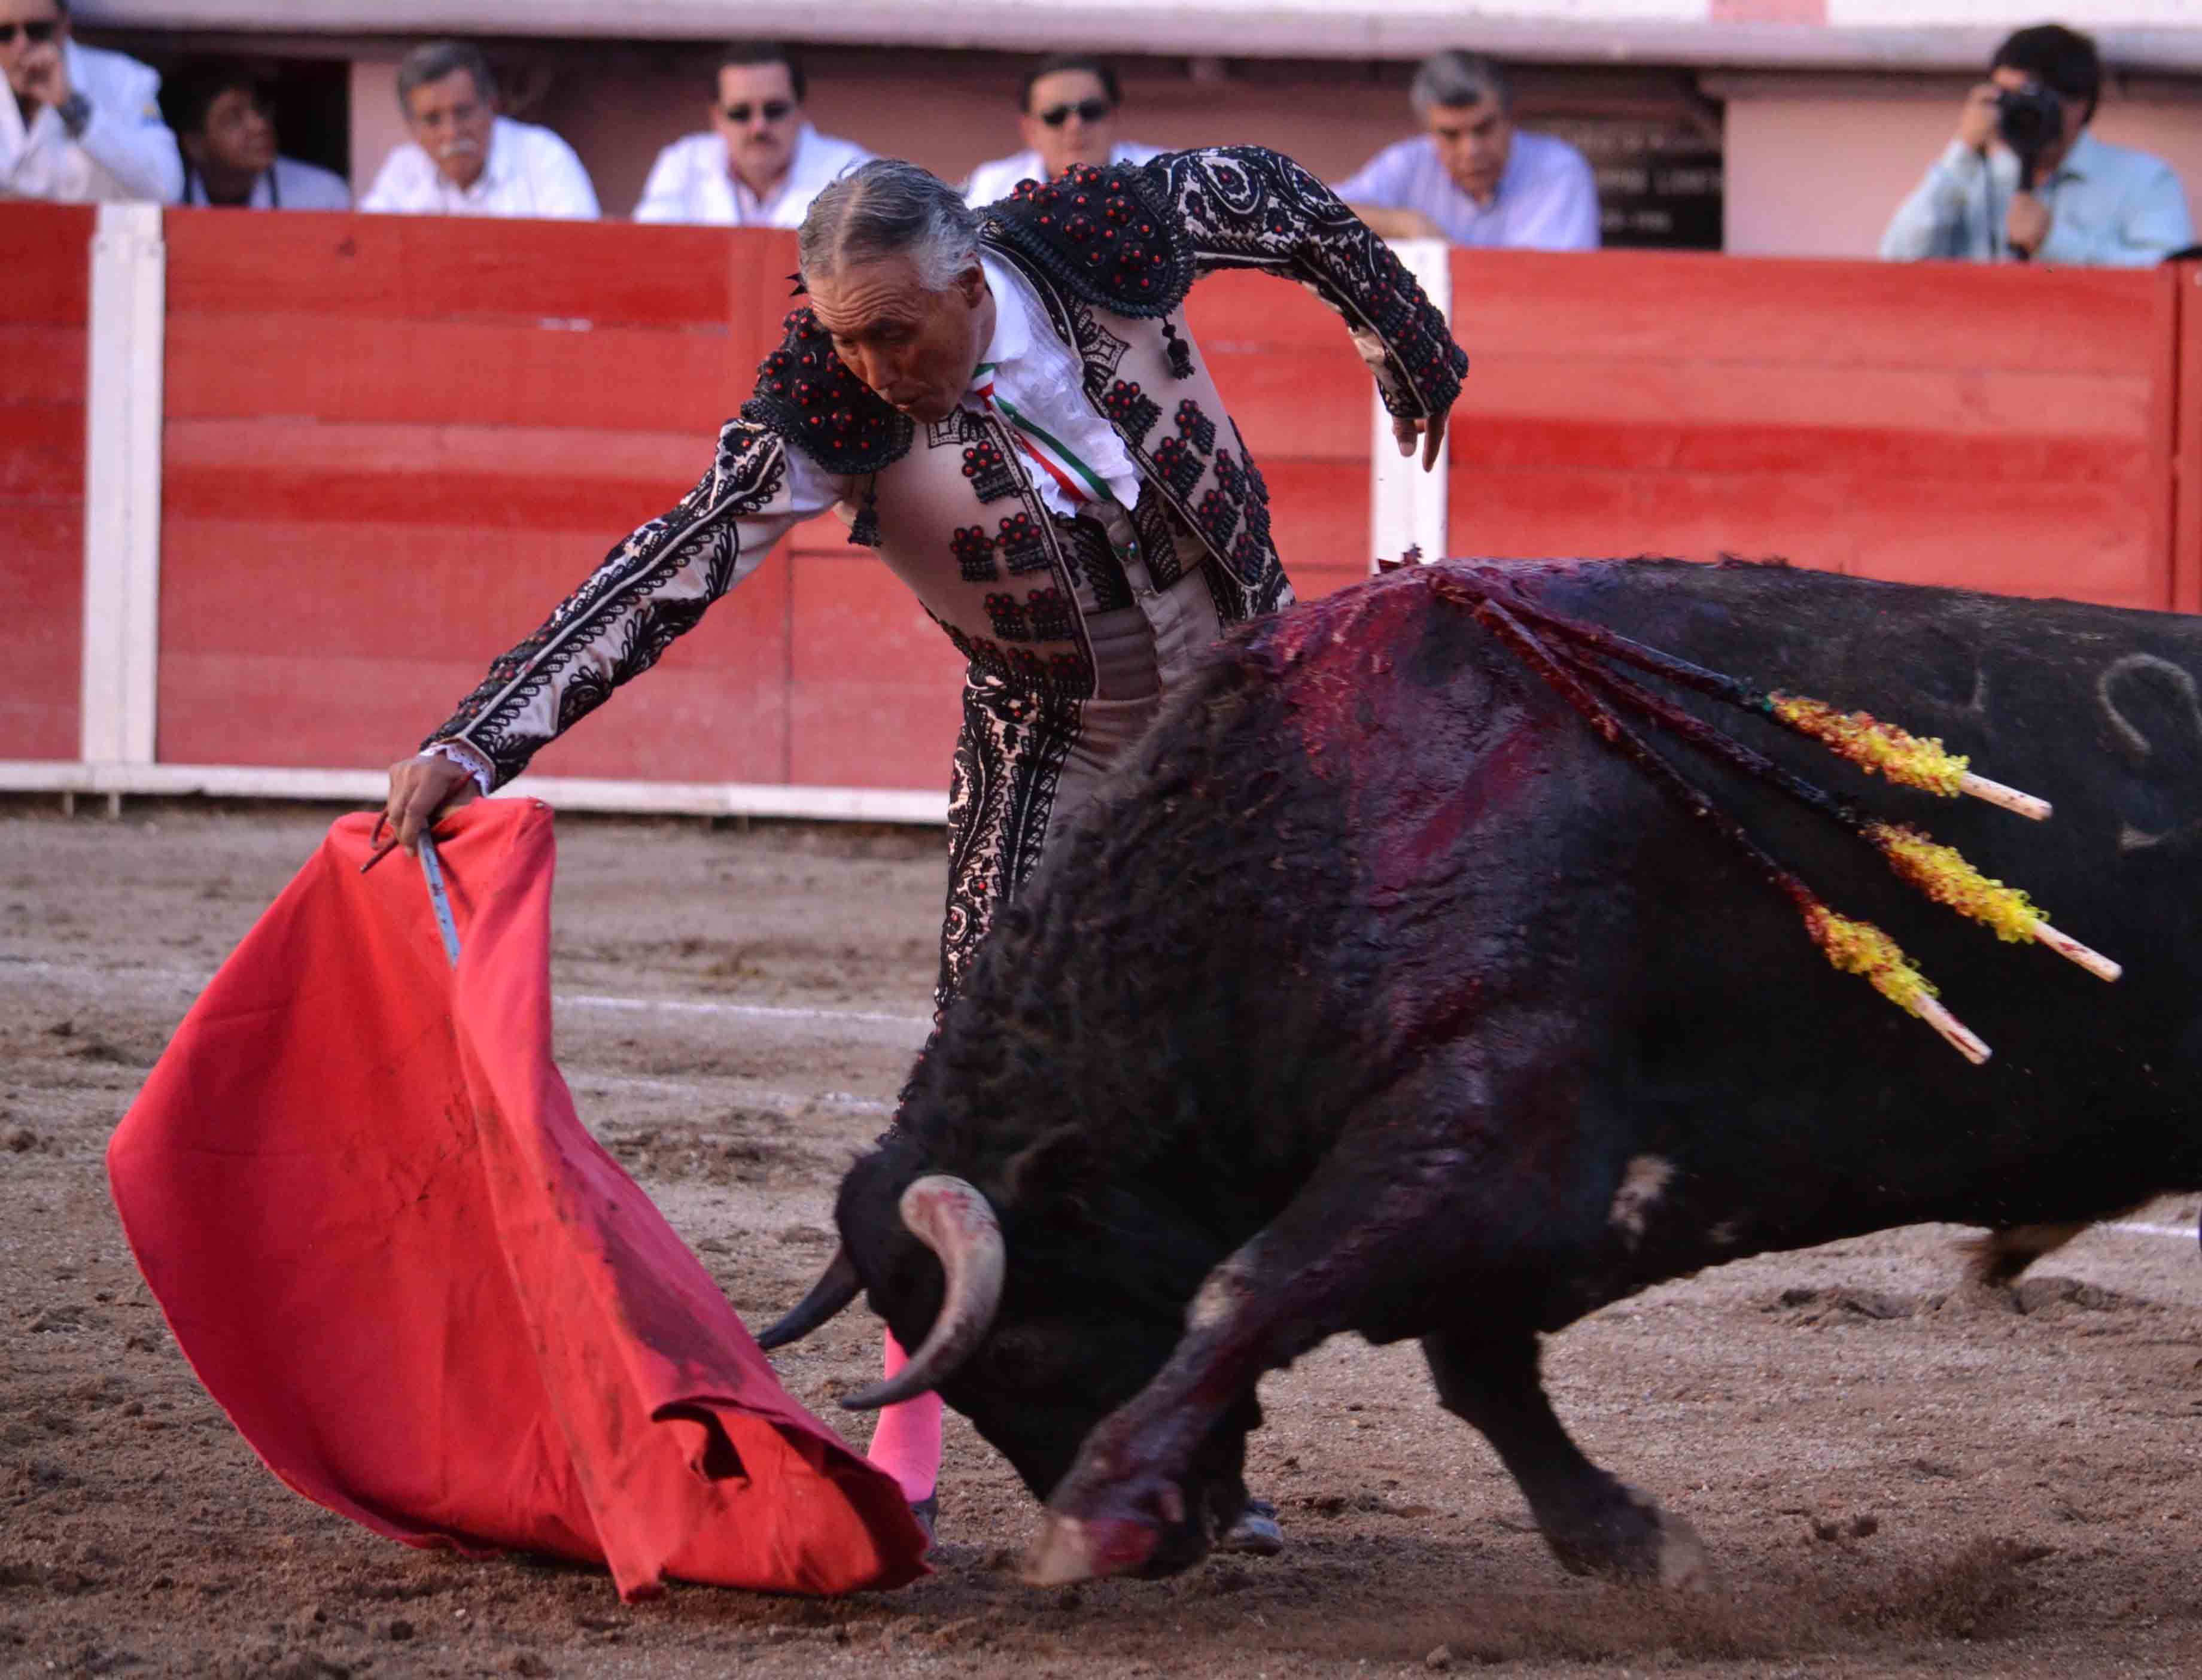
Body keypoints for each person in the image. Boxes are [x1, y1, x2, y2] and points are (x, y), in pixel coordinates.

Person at [379, 150, 1465, 1554]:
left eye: (895, 332)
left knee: (1263, 1092)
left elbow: (1277, 197)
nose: (874, 368)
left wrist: (1402, 334)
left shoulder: (1096, 239)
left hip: (1255, 728)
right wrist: (479, 738)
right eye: (844, 337)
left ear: (967, 283)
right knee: (971, 1106)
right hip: (1056, 746)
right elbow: (671, 566)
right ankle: (911, 1443)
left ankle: (1197, 1434)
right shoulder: (829, 405)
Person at [1879, 23, 2192, 267]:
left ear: (2078, 105)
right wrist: (1963, 149)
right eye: (2006, 97)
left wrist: (2054, 243)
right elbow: (1897, 259)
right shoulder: (1974, 177)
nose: (2016, 112)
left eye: (2030, 99)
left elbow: (2173, 281)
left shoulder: (2143, 181)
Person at [1336, 50, 1597, 251]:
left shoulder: (1559, 171)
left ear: (1510, 118)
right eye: (1451, 135)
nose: (1471, 150)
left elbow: (1557, 279)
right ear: (1429, 132)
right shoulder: (1410, 163)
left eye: (1484, 129)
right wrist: (1405, 224)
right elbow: (1322, 213)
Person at [631, 40, 868, 227]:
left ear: (801, 110)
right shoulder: (683, 164)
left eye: (774, 110)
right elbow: (650, 252)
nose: (759, 127)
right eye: (740, 113)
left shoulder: (853, 173)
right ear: (717, 117)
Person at [361, 39, 597, 220]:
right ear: (412, 128)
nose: (451, 132)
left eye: (463, 113)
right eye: (433, 120)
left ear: (492, 107)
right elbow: (369, 249)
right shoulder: (403, 169)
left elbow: (579, 252)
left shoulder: (543, 157)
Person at [0, 0, 180, 203]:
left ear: (64, 26)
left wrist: (71, 106)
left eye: (37, 30)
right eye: (4, 34)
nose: (21, 46)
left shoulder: (125, 80)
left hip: (96, 223)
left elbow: (166, 188)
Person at [962, 53, 1161, 208]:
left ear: (1115, 117)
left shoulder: (1163, 175)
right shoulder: (991, 189)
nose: (1075, 126)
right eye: (1055, 116)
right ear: (1029, 130)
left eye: (1090, 111)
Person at [167, 62, 349, 211]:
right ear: (195, 145)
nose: (259, 125)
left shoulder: (322, 195)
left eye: (259, 109)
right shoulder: (167, 199)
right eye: (233, 118)